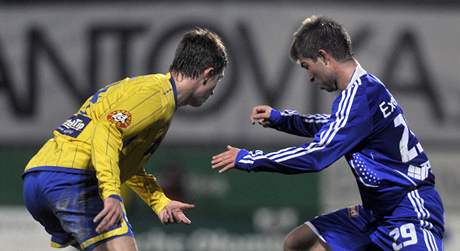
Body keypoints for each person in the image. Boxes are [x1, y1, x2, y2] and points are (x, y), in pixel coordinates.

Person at [211, 16, 444, 251]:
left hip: (409, 208)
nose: (310, 76)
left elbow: (318, 154)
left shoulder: (359, 96)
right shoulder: (364, 89)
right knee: (300, 242)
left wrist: (250, 159)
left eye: (306, 66)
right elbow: (335, 126)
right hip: (377, 213)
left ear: (323, 57)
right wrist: (282, 120)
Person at [23, 27, 227, 251]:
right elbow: (107, 130)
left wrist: (158, 201)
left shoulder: (147, 89)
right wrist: (111, 192)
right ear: (207, 74)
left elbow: (123, 160)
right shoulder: (157, 98)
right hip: (71, 178)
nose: (215, 90)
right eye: (219, 79)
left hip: (39, 176)